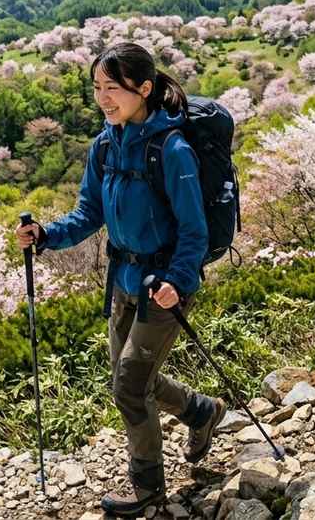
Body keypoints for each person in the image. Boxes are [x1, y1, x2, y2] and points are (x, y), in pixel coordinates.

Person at [16, 42, 225, 517]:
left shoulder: (171, 149)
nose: (103, 98)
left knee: (129, 387)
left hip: (163, 287)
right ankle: (202, 411)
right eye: (97, 88)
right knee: (130, 380)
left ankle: (149, 492)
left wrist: (177, 278)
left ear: (144, 89)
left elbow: (193, 230)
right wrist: (47, 234)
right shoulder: (104, 145)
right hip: (123, 280)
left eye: (113, 88)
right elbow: (89, 213)